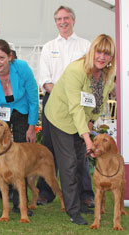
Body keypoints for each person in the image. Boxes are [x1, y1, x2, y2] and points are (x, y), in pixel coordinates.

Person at [45, 34, 115, 225]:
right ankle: (73, 211)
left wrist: (91, 123)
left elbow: (98, 105)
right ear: (92, 51)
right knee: (68, 165)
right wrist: (88, 139)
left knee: (79, 163)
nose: (102, 57)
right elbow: (75, 107)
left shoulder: (107, 75)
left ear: (111, 57)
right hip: (61, 118)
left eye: (107, 54)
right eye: (99, 51)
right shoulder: (77, 70)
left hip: (82, 120)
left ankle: (78, 202)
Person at [37, 5, 95, 208]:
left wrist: (75, 102)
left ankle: (85, 193)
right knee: (49, 149)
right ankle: (46, 191)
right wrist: (65, 97)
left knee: (80, 149)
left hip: (79, 105)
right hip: (54, 103)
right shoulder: (48, 46)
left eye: (66, 18)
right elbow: (44, 80)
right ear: (55, 22)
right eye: (59, 19)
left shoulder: (86, 46)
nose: (63, 22)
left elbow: (91, 76)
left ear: (73, 20)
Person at [0, 39, 39, 222]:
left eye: (1, 58)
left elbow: (33, 98)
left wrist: (31, 126)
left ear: (10, 56)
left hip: (21, 112)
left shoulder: (22, 68)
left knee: (20, 159)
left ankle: (20, 205)